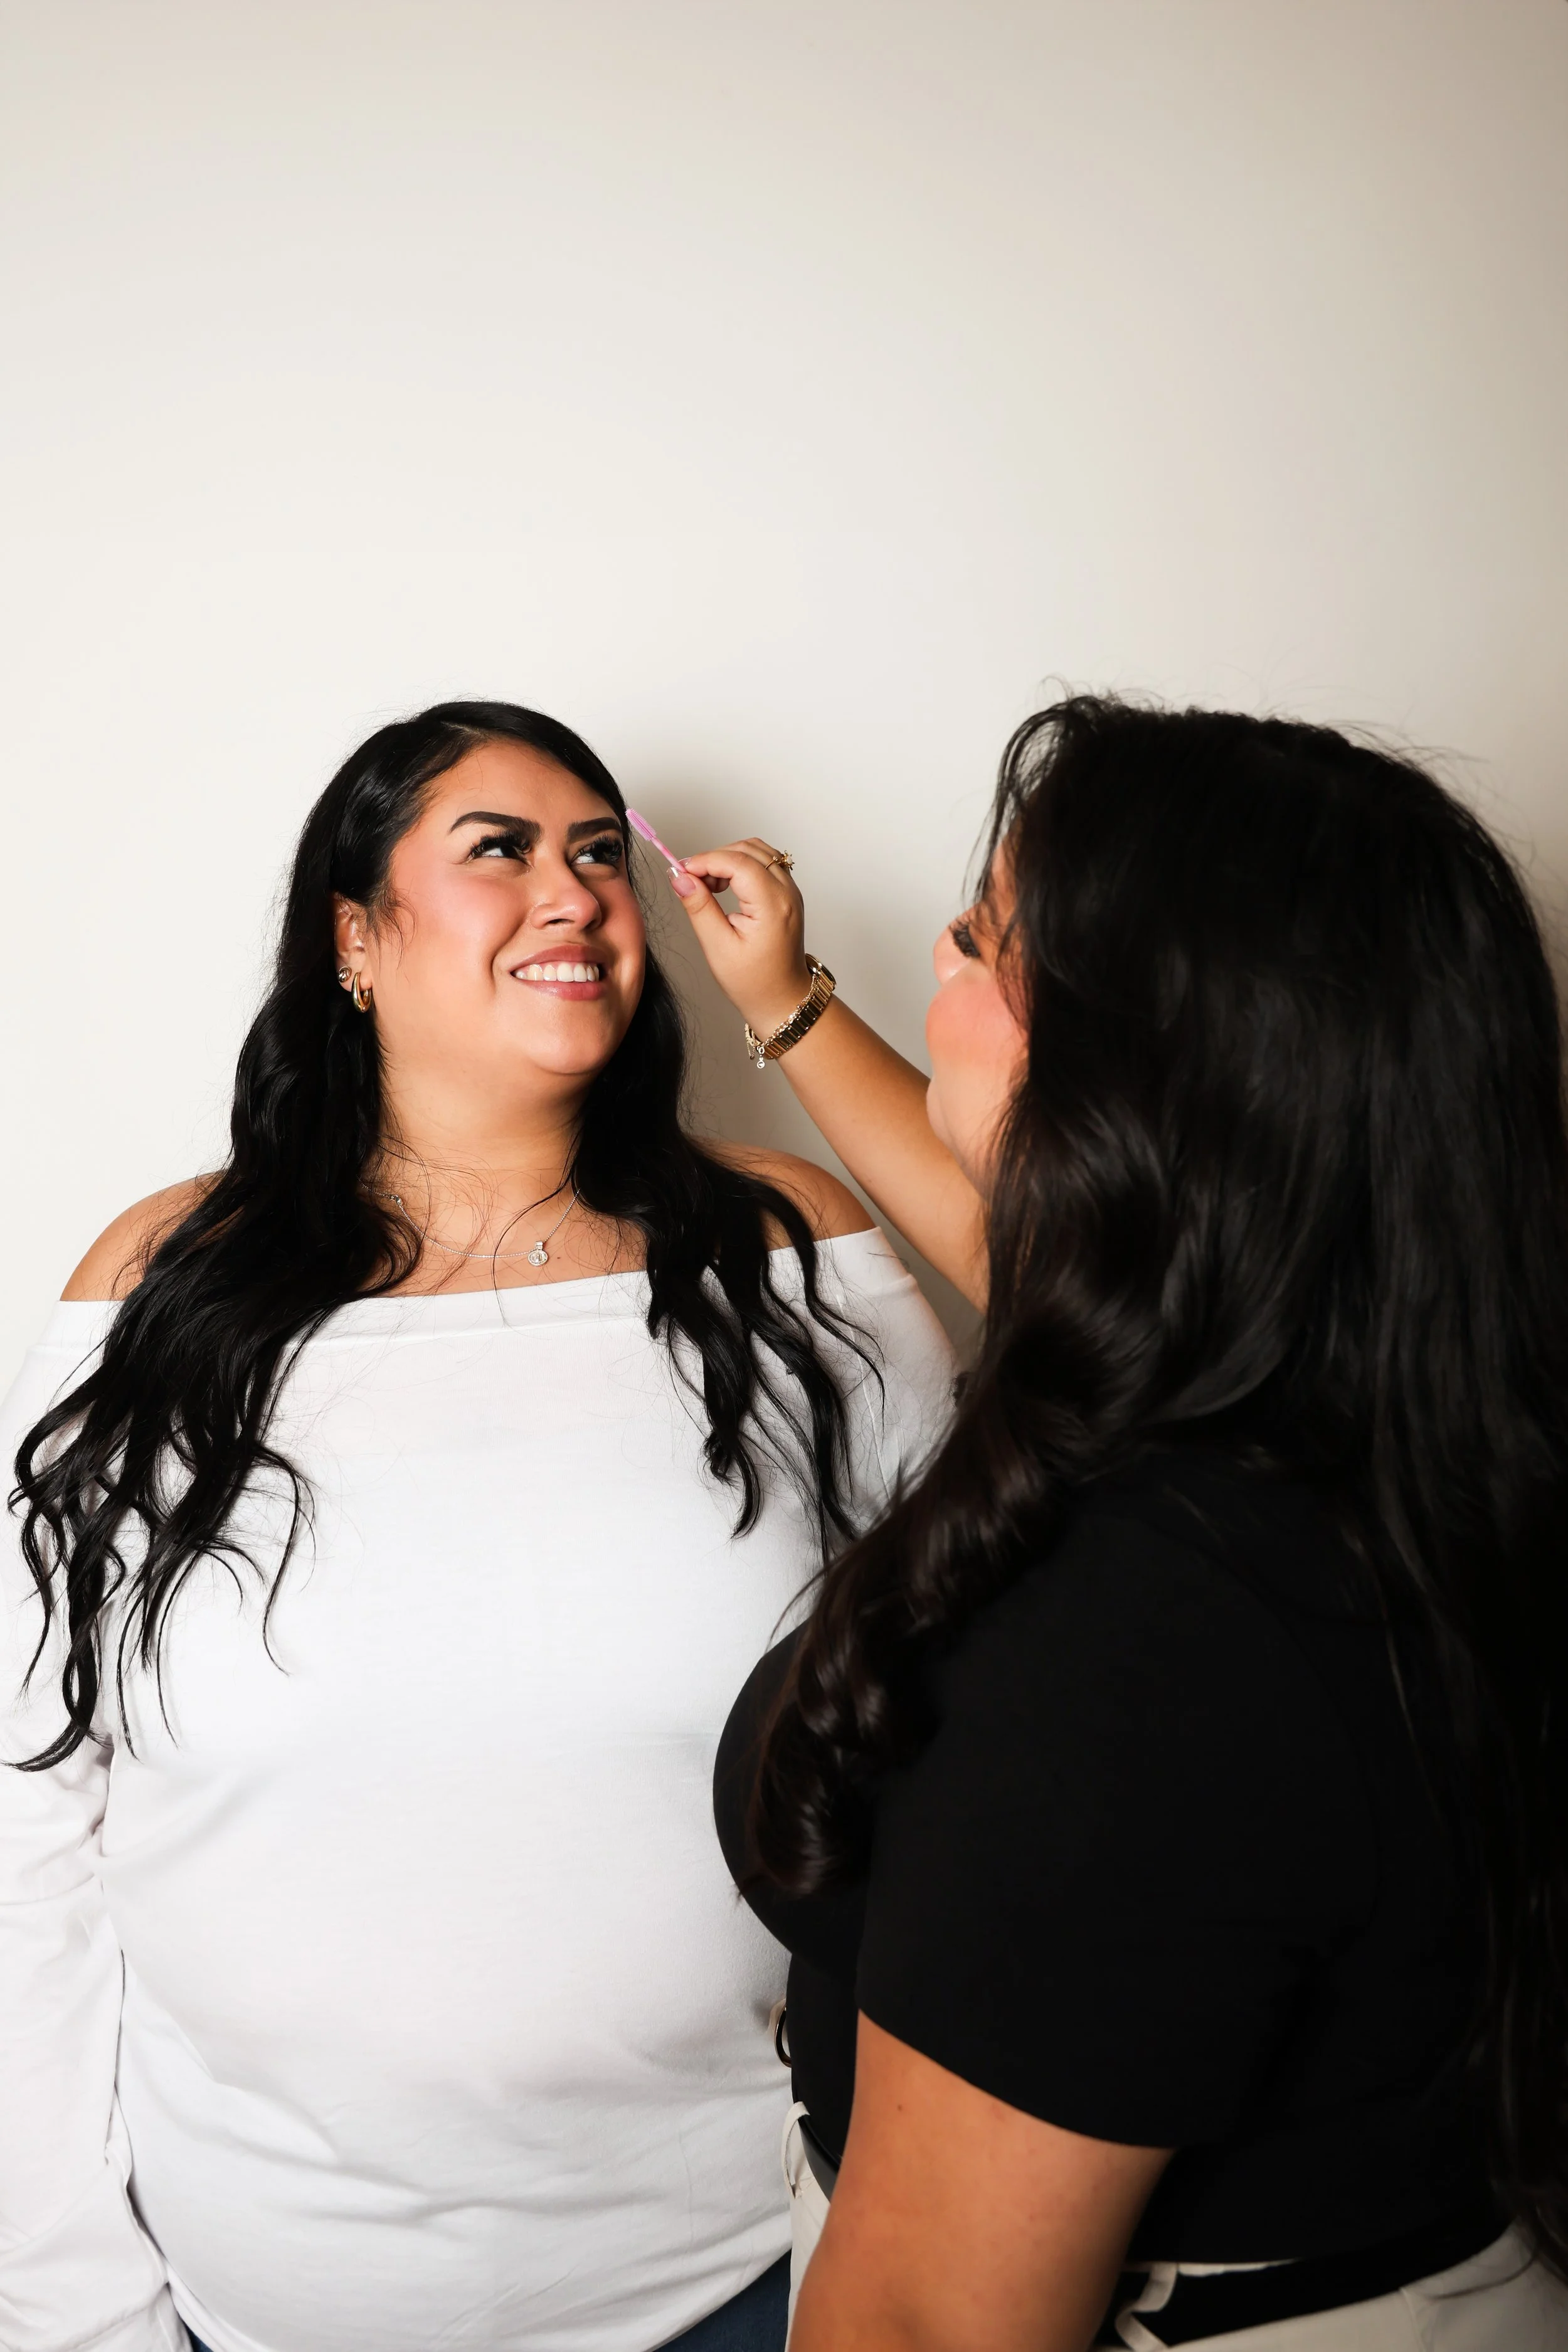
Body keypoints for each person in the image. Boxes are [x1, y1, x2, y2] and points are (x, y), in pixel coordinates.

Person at [0, 702, 955, 2352]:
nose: (575, 892)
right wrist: (70, 2305)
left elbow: (984, 1702)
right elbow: (29, 1823)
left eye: (600, 853)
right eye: (497, 849)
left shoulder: (792, 1256)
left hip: (744, 2273)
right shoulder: (155, 1289)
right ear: (355, 941)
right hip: (253, 2299)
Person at [675, 697, 1568, 2349]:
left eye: (991, 933)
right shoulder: (1356, 1403)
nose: (944, 940)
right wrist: (787, 1001)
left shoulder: (1123, 1635)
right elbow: (1022, 1246)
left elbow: (932, 2318)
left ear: (1132, 1073)